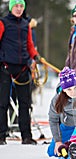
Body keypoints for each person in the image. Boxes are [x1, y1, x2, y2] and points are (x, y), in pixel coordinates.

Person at [0, 0, 43, 145]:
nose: (19, 9)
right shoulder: (3, 23)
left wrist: (35, 56)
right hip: (5, 67)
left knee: (25, 103)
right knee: (3, 102)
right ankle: (1, 135)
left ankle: (26, 136)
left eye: (21, 6)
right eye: (16, 6)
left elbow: (30, 44)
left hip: (23, 67)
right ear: (11, 8)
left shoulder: (26, 24)